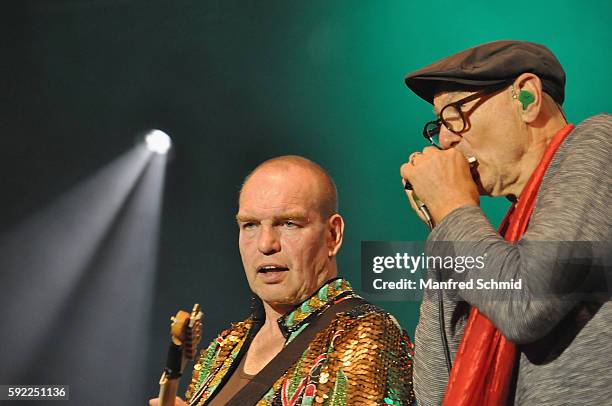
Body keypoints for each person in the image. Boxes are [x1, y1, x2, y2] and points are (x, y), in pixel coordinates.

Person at [400, 40, 611, 405]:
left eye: (455, 114)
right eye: (440, 125)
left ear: (526, 98)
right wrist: (442, 231)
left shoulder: (598, 143)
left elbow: (527, 305)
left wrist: (452, 209)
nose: (446, 140)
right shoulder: (506, 239)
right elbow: (436, 391)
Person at [151, 155, 414, 406]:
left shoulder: (364, 331)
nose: (266, 244)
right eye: (250, 225)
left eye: (289, 224)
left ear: (333, 235)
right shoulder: (223, 346)